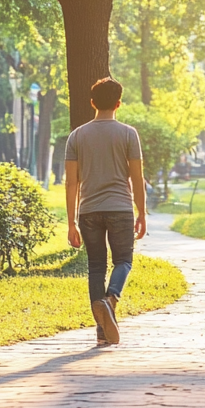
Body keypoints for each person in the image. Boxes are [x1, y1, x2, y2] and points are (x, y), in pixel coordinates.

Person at [64, 77, 146, 347]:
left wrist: (71, 222)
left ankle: (101, 332)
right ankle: (110, 300)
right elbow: (137, 178)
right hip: (120, 208)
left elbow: (72, 182)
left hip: (89, 211)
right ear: (118, 104)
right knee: (123, 261)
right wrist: (142, 213)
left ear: (92, 103)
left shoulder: (76, 136)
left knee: (96, 267)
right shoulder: (128, 134)